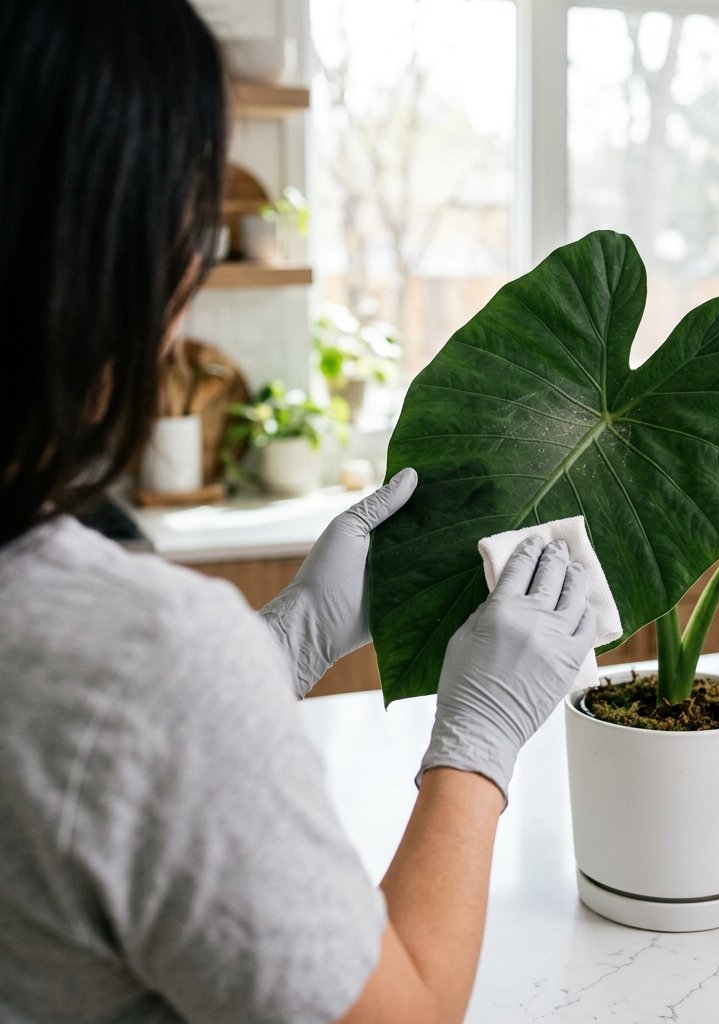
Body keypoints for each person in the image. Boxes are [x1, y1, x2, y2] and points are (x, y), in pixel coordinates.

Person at [0, 2, 596, 1022]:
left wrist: (286, 640)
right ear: (112, 257)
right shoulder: (141, 655)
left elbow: (93, 782)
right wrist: (480, 739)